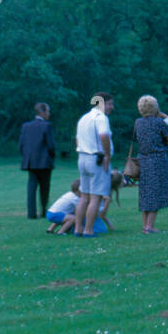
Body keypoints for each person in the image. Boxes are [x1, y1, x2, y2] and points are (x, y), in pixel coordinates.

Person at [74, 93, 115, 237]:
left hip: (82, 158)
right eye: (110, 103)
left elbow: (77, 139)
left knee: (84, 197)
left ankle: (78, 228)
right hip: (97, 159)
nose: (112, 107)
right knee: (96, 197)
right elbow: (103, 136)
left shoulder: (84, 118)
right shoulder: (101, 118)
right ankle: (88, 230)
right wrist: (107, 156)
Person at [134, 95, 168, 233]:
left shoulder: (138, 122)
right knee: (156, 192)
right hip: (157, 160)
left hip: (143, 160)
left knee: (145, 192)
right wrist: (160, 113)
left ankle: (145, 225)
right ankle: (150, 226)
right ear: (155, 107)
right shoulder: (159, 122)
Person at [19, 102, 56, 220]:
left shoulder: (25, 126)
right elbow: (50, 146)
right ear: (43, 112)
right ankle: (43, 211)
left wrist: (26, 157)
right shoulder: (47, 126)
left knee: (31, 188)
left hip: (31, 162)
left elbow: (21, 145)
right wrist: (51, 156)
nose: (49, 114)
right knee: (44, 188)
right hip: (44, 162)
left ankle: (31, 214)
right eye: (48, 111)